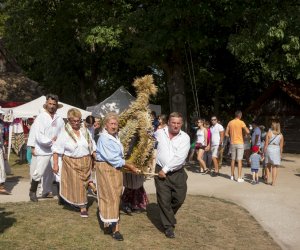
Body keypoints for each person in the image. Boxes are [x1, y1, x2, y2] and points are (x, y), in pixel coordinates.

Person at [95, 112, 140, 241]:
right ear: (106, 125)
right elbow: (112, 158)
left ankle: (109, 223)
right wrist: (129, 165)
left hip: (114, 169)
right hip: (107, 169)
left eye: (116, 124)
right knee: (111, 197)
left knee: (113, 196)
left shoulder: (114, 136)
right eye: (111, 124)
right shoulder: (104, 138)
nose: (114, 126)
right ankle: (115, 229)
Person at [52, 108, 96, 217]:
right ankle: (83, 207)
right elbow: (56, 150)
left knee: (84, 184)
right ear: (69, 120)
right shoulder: (64, 133)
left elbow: (92, 146)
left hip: (86, 161)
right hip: (71, 163)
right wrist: (56, 164)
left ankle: (88, 188)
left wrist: (96, 159)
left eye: (78, 120)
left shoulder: (85, 131)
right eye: (74, 121)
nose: (76, 123)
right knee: (79, 185)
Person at [154, 112, 190, 238]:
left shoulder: (185, 137)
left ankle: (167, 215)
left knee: (179, 198)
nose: (175, 125)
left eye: (178, 123)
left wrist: (166, 169)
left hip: (177, 172)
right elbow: (150, 146)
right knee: (164, 201)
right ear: (168, 122)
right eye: (173, 122)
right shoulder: (158, 133)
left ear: (181, 124)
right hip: (159, 171)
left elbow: (180, 157)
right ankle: (168, 227)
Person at [28, 94, 64, 202]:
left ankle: (61, 195)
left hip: (56, 150)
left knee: (58, 171)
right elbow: (38, 135)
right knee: (39, 171)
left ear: (56, 105)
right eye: (50, 104)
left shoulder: (60, 119)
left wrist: (59, 142)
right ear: (46, 104)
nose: (52, 106)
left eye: (54, 104)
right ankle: (32, 191)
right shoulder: (40, 118)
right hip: (43, 149)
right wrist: (50, 141)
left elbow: (63, 133)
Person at [225, 110, 250, 182]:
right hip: (240, 143)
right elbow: (248, 131)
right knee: (239, 160)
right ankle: (239, 177)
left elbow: (226, 134)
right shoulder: (241, 122)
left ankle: (232, 176)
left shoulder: (230, 122)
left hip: (232, 143)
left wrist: (231, 136)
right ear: (240, 115)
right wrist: (244, 133)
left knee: (232, 160)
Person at [263, 121, 284, 186]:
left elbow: (266, 144)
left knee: (268, 165)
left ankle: (267, 180)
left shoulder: (269, 133)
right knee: (275, 167)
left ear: (272, 126)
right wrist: (280, 154)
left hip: (269, 149)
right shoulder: (281, 135)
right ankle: (273, 182)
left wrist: (263, 153)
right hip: (276, 150)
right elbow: (281, 147)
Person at [0, 114, 10, 195]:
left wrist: (5, 150)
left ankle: (1, 186)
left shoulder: (2, 124)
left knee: (1, 167)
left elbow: (4, 137)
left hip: (0, 147)